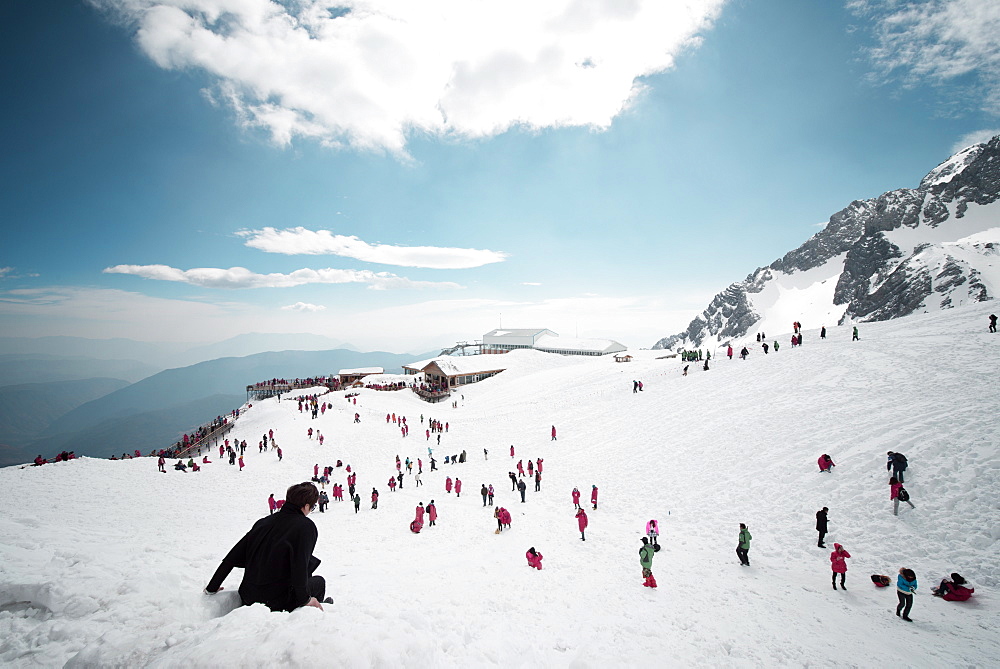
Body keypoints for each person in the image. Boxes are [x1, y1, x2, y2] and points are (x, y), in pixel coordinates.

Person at [205, 482, 329, 612]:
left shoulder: (263, 522)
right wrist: (306, 600)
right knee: (319, 582)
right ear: (306, 506)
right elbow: (299, 566)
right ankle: (315, 610)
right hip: (277, 601)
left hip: (248, 595)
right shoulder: (305, 526)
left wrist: (212, 587)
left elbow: (232, 558)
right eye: (312, 507)